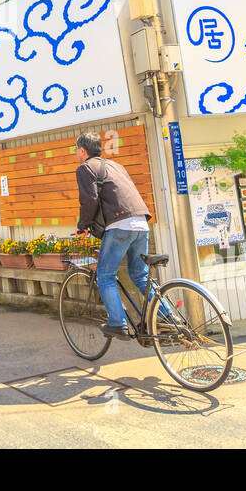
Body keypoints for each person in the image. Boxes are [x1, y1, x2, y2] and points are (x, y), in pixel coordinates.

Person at [74, 132, 153, 338]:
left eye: (76, 151)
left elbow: (89, 200)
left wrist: (83, 226)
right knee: (140, 276)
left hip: (120, 225)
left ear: (82, 151)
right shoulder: (117, 166)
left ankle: (117, 323)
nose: (76, 154)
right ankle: (168, 319)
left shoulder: (85, 168)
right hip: (142, 222)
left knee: (106, 275)